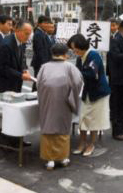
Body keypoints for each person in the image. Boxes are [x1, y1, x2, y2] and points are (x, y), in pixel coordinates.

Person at [37, 43, 84, 171]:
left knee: (48, 125)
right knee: (62, 127)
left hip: (47, 101)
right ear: (65, 54)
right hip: (64, 101)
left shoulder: (44, 67)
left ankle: (50, 160)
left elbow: (38, 83)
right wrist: (71, 96)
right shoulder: (69, 67)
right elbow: (78, 82)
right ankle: (63, 158)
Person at [68, 34, 110, 157]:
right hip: (86, 92)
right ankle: (81, 143)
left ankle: (91, 144)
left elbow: (91, 73)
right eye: (72, 49)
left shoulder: (94, 55)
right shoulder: (80, 58)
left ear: (81, 46)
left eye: (75, 48)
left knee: (94, 120)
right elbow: (77, 74)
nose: (74, 51)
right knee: (82, 119)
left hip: (98, 93)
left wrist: (73, 73)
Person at [0, 20, 33, 93]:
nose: (28, 37)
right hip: (6, 86)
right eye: (26, 34)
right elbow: (3, 68)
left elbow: (22, 59)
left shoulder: (22, 41)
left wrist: (25, 69)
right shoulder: (6, 45)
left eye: (30, 35)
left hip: (16, 83)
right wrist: (21, 75)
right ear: (17, 30)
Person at [31, 15, 53, 90]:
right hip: (40, 63)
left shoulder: (43, 33)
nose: (47, 25)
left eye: (48, 23)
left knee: (40, 82)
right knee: (38, 82)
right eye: (45, 23)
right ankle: (34, 97)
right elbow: (40, 51)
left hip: (44, 63)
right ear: (39, 24)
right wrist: (45, 65)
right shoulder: (38, 34)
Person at [106, 18, 121, 83]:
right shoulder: (108, 36)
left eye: (113, 25)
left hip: (118, 68)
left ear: (117, 26)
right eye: (110, 26)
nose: (112, 28)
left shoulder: (120, 37)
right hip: (110, 67)